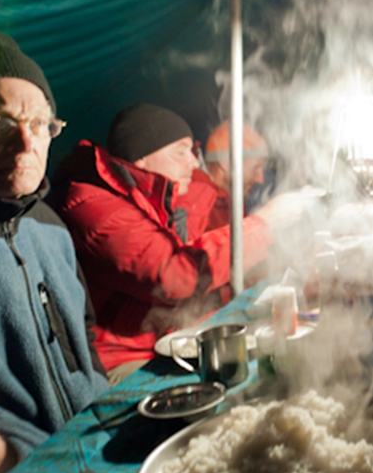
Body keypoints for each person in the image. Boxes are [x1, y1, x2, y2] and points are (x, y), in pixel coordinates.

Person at [49, 104, 309, 381]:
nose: (194, 163)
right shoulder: (95, 207)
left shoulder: (154, 200)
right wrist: (264, 222)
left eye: (192, 151)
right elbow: (174, 276)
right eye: (180, 152)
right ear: (141, 160)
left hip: (173, 340)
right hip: (127, 362)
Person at [0, 30, 109, 473]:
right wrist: (10, 456)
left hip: (89, 448)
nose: (26, 143)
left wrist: (100, 398)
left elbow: (85, 330)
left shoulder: (49, 227)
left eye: (40, 125)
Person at [201, 120, 270, 223]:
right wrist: (259, 222)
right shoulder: (198, 202)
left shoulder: (231, 195)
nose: (260, 180)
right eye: (255, 168)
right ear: (226, 163)